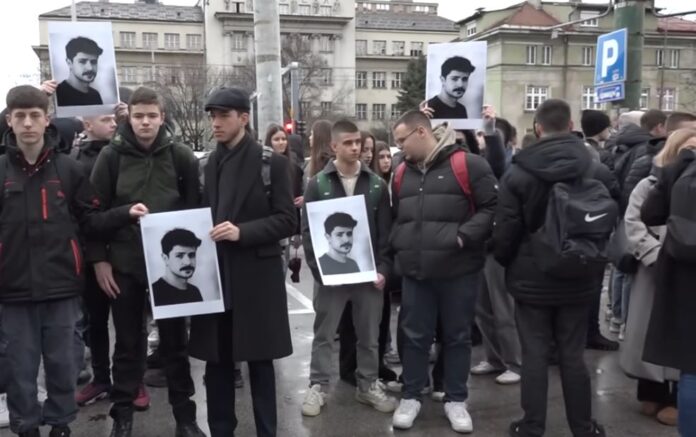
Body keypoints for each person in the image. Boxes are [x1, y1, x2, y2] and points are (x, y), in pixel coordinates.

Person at [0, 85, 145, 437]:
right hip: (12, 290)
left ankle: (60, 424)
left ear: (47, 119)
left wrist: (124, 213)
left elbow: (90, 220)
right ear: (9, 121)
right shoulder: (1, 170)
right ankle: (26, 427)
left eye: (35, 115)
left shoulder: (68, 169)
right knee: (19, 369)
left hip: (63, 287)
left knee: (64, 364)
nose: (28, 123)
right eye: (20, 116)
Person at [88, 87, 204, 437]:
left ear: (162, 117)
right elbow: (91, 216)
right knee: (127, 346)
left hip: (169, 270)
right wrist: (100, 260)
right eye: (138, 116)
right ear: (129, 117)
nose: (145, 122)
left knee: (175, 346)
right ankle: (122, 419)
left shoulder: (182, 156)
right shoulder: (110, 157)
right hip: (125, 266)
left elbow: (194, 212)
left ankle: (185, 419)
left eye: (152, 116)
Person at [493, 99, 611, 437]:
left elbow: (506, 230)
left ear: (537, 128)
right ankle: (583, 428)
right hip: (580, 271)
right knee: (573, 355)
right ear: (571, 125)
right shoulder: (593, 167)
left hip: (531, 277)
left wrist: (508, 261)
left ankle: (531, 427)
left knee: (534, 355)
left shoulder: (518, 172)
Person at [187, 87, 296, 437]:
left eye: (223, 115)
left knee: (261, 363)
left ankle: (267, 431)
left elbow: (287, 220)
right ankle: (221, 430)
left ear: (244, 118)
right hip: (215, 279)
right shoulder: (205, 165)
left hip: (256, 279)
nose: (215, 123)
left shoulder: (272, 164)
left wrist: (242, 232)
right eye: (212, 116)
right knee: (217, 363)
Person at [390, 111, 497, 433]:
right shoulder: (401, 172)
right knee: (414, 336)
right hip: (416, 271)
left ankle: (456, 399)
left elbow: (494, 207)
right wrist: (400, 246)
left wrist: (462, 237)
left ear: (421, 132)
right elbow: (398, 216)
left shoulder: (469, 165)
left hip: (458, 270)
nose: (399, 147)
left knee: (457, 337)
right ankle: (411, 396)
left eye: (402, 140)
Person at [300, 119, 396, 417]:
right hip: (331, 277)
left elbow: (386, 233)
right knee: (324, 334)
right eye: (348, 143)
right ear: (334, 146)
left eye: (358, 142)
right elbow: (308, 232)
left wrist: (383, 269)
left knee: (369, 336)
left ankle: (367, 385)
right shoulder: (318, 184)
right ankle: (318, 386)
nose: (356, 148)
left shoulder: (376, 184)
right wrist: (320, 272)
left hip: (368, 275)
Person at [619, 131, 695, 428]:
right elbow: (634, 222)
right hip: (654, 269)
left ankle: (675, 400)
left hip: (680, 271)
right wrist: (654, 255)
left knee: (678, 338)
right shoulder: (649, 183)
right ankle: (651, 391)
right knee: (650, 333)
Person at [641, 127, 696, 437]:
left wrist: (674, 169)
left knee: (692, 367)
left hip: (683, 279)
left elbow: (650, 214)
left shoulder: (678, 172)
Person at [152, 229, 204, 307]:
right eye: (179, 256)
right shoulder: (154, 292)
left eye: (191, 255)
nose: (188, 262)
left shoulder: (195, 292)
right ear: (165, 258)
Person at [56, 37, 104, 107]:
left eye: (93, 62)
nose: (90, 68)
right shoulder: (57, 93)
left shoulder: (95, 95)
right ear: (69, 63)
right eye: (82, 61)